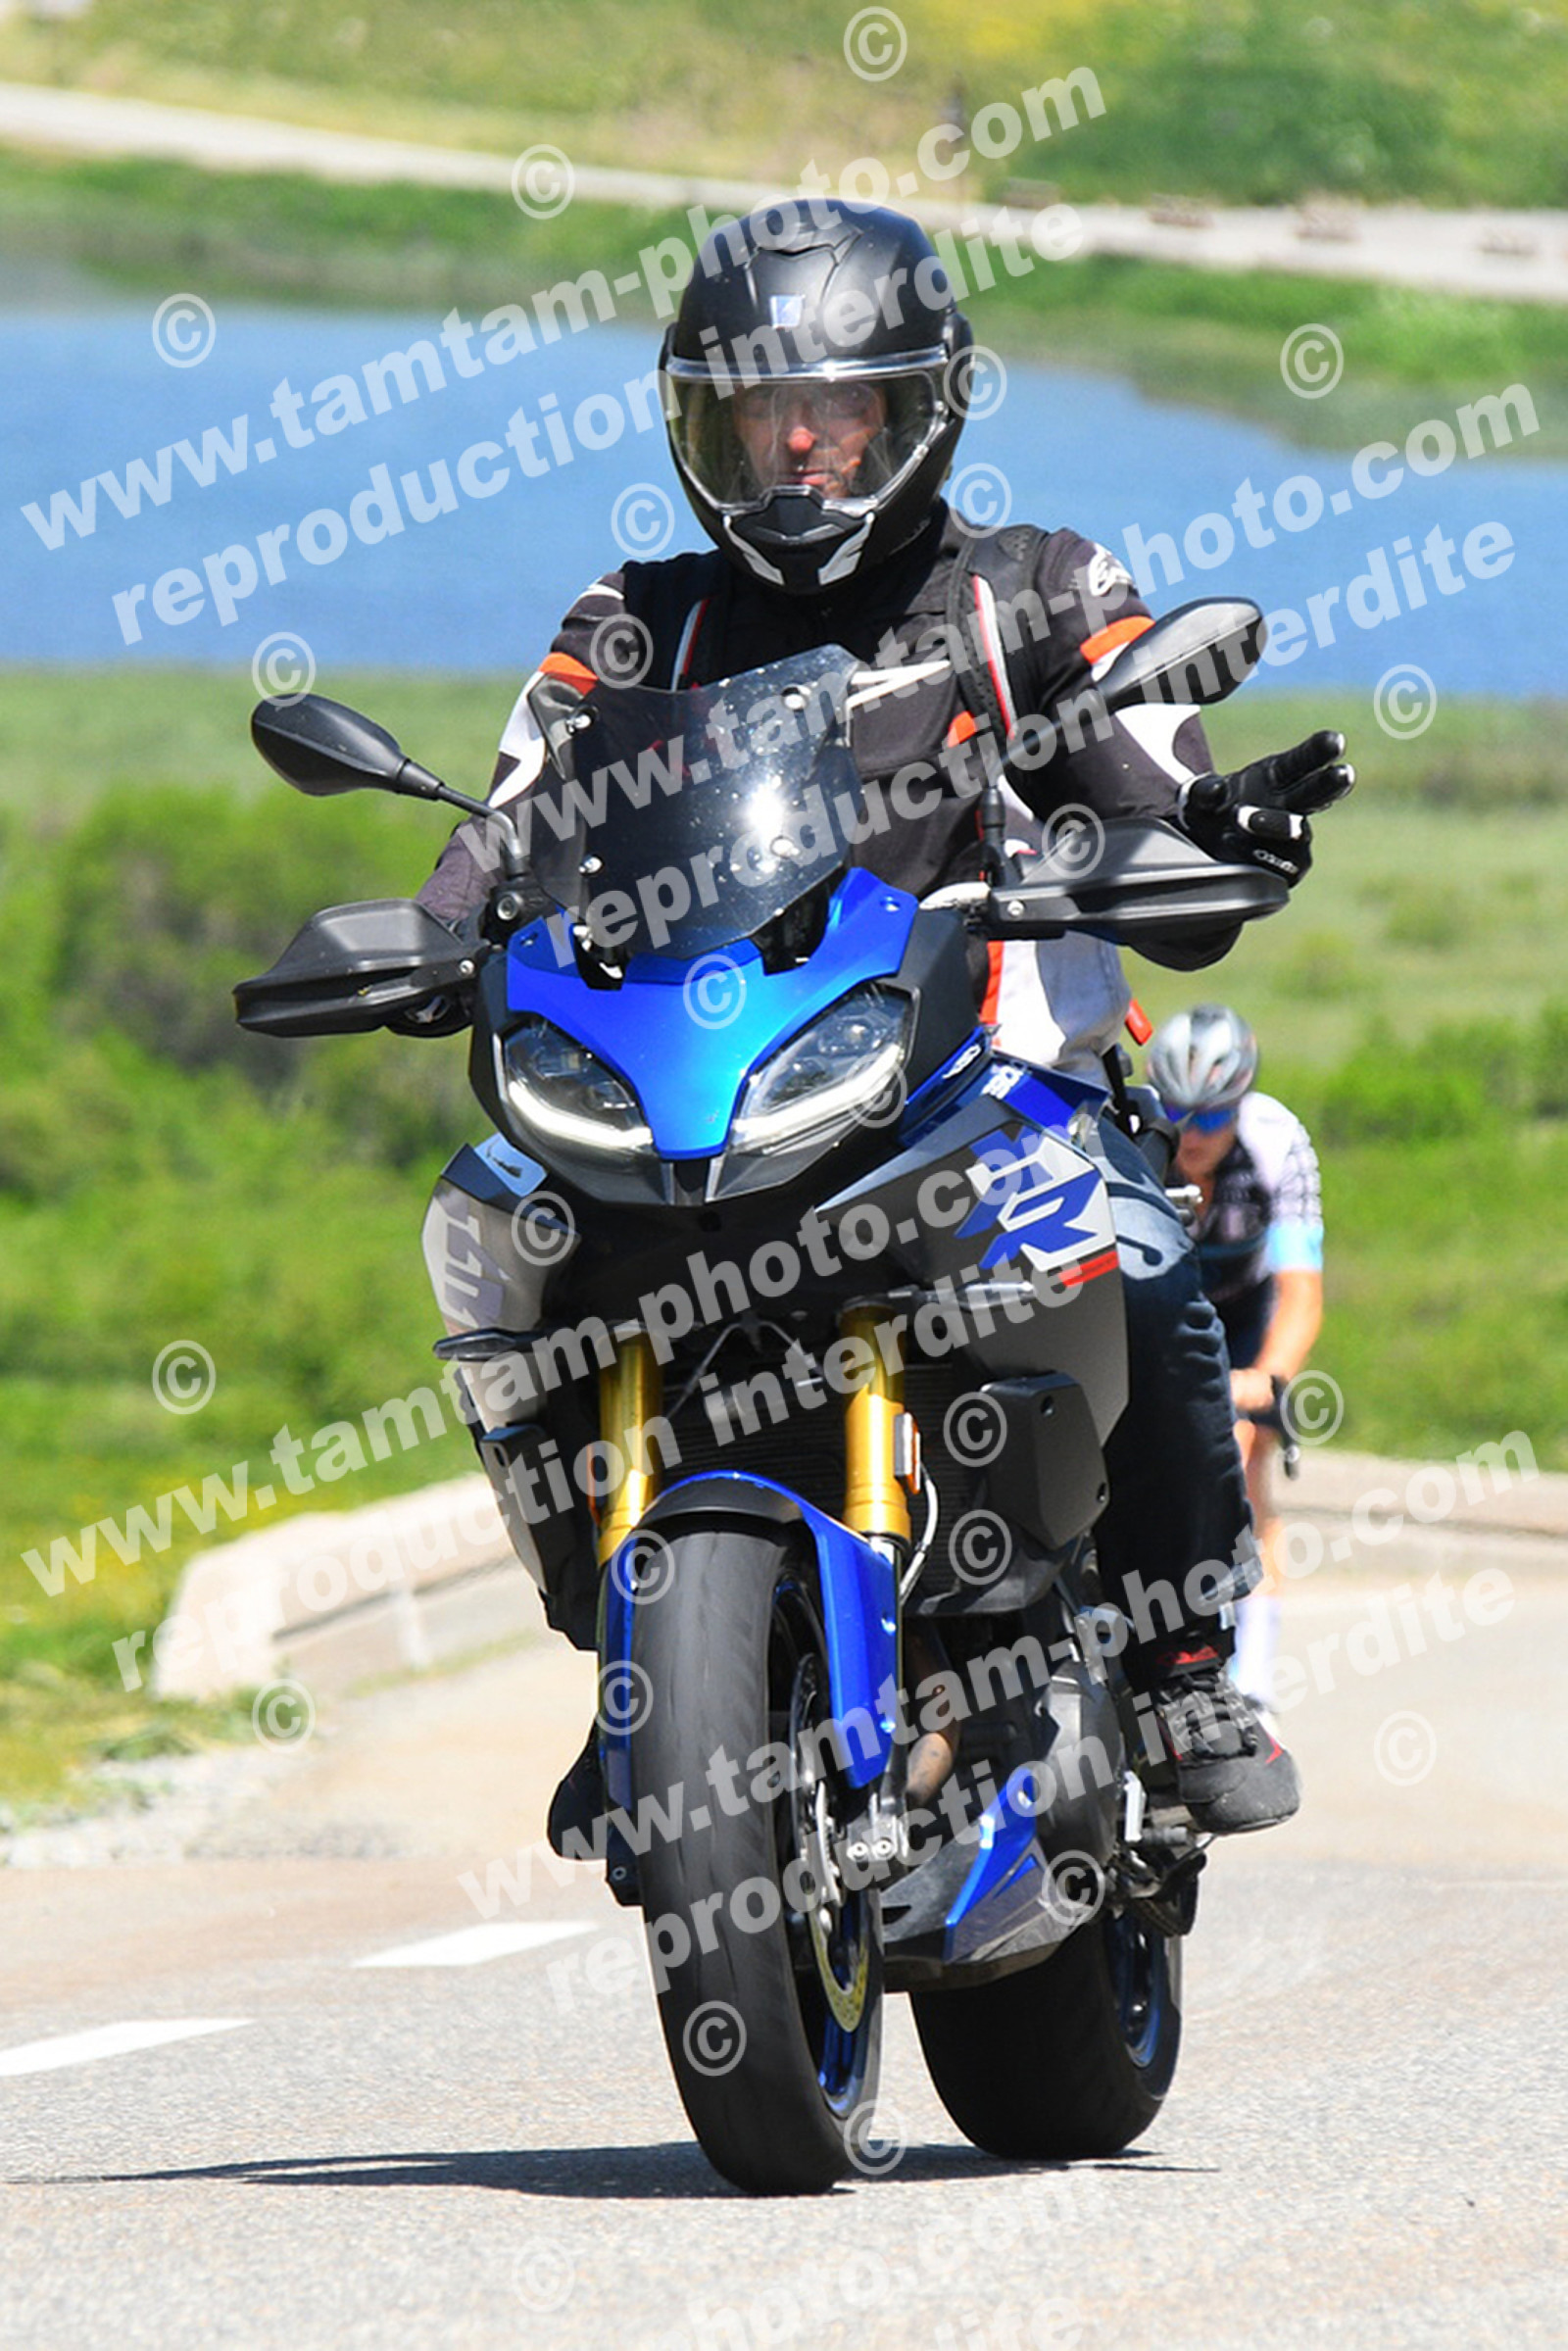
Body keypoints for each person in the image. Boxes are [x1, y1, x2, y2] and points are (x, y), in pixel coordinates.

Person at [416, 198, 1352, 1838]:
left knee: (1139, 1251)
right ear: (698, 423)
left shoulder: (1031, 588)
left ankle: (1182, 1655)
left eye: (837, 407)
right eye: (756, 410)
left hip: (986, 1084)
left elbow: (1145, 767)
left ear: (920, 409)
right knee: (506, 1241)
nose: (796, 445)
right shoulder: (638, 618)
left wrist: (1202, 839)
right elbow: (521, 807)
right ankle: (649, 1673)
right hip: (710, 1095)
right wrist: (432, 923)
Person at [1148, 1005, 1325, 1713]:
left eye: (1213, 1117)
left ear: (1240, 1105)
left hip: (1246, 1311)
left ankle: (1253, 1678)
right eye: (1177, 1112)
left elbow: (1300, 1292)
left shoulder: (1277, 1142)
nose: (1192, 1134)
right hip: (1167, 1303)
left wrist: (1269, 1380)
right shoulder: (1135, 1135)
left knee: (1244, 1463)